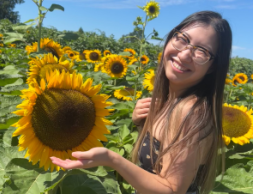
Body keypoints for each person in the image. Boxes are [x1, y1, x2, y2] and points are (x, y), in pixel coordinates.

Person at [50, 10, 232, 194]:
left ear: (212, 68)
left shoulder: (191, 113)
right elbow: (156, 162)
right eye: (183, 39)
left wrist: (112, 159)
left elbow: (172, 190)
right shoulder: (168, 102)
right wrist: (141, 124)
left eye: (202, 51)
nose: (185, 55)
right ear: (170, 38)